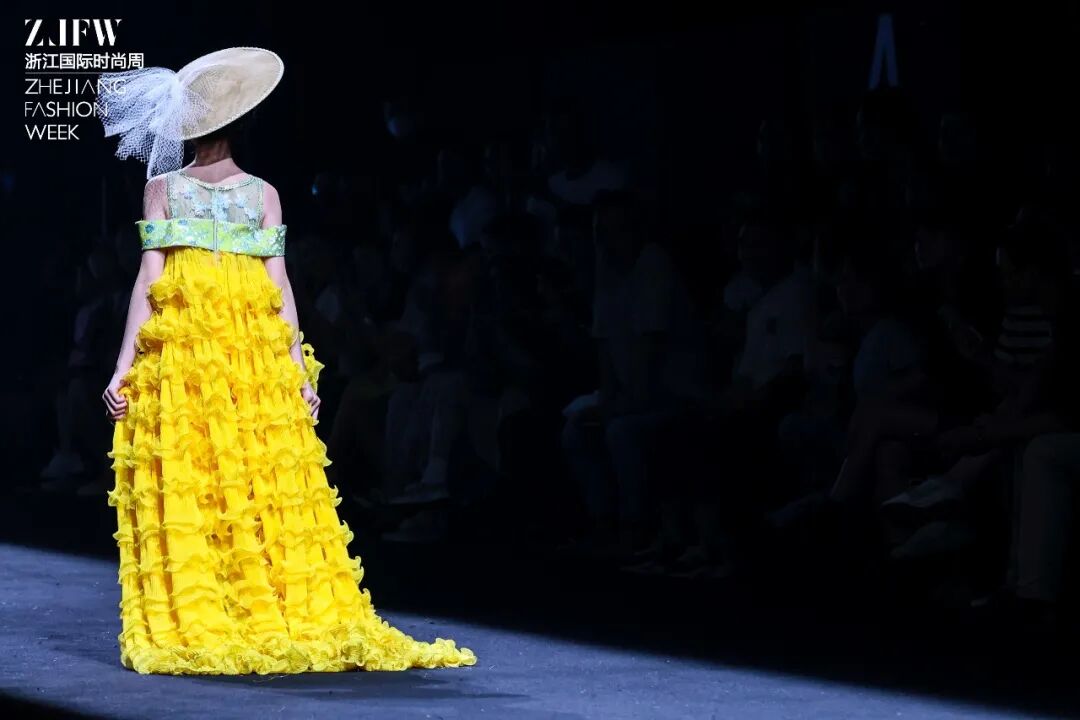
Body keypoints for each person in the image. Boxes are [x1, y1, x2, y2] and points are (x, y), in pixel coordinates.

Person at [96, 48, 476, 675]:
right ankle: (253, 606)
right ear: (239, 121)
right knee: (249, 477)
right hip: (235, 355)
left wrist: (123, 367)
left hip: (197, 351)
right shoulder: (257, 194)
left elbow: (151, 281)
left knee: (203, 476)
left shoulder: (169, 189)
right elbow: (280, 289)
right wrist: (295, 369)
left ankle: (215, 608)